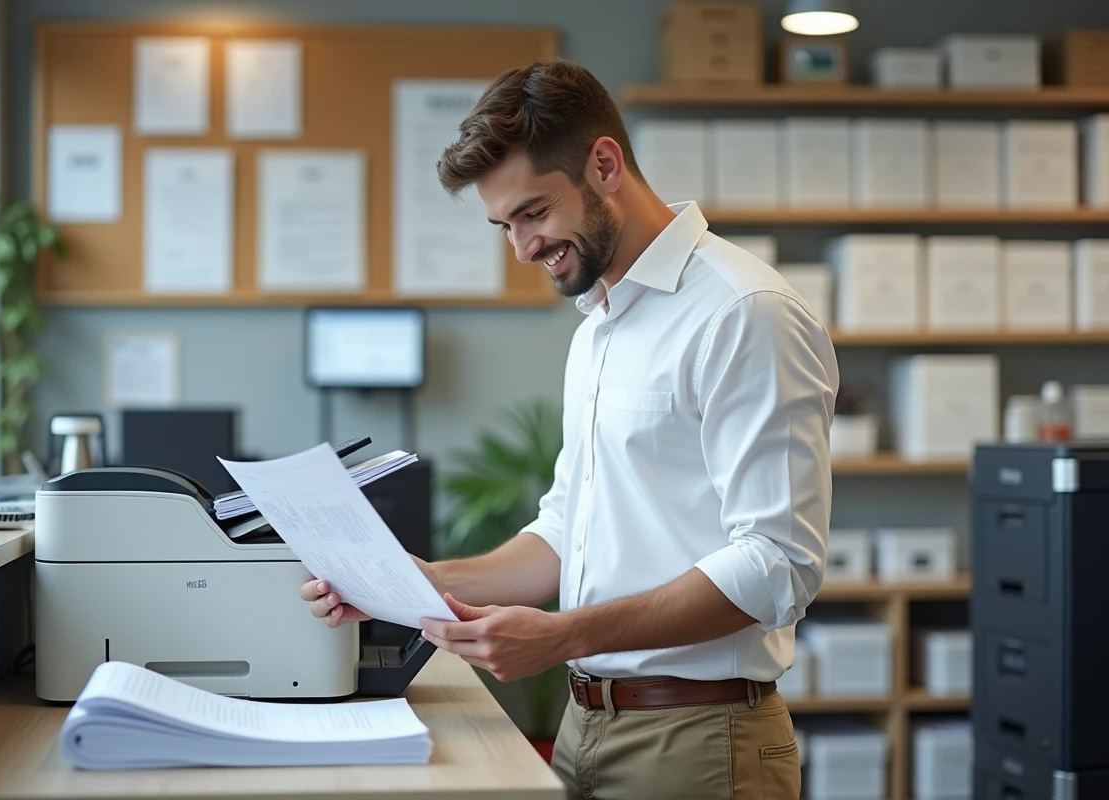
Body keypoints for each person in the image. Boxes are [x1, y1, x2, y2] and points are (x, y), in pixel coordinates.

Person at [303, 58, 838, 800]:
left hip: (698, 742)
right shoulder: (599, 324)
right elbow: (565, 530)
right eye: (504, 225)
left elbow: (778, 563)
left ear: (606, 164)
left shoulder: (744, 312)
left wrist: (566, 635)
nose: (522, 248)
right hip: (586, 730)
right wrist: (419, 582)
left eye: (533, 213)